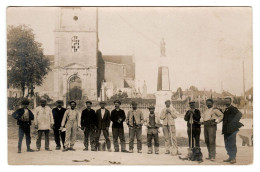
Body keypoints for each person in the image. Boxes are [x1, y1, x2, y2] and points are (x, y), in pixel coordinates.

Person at [222, 97, 244, 164]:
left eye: (228, 101)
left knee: (232, 143)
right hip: (226, 130)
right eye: (226, 101)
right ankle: (230, 157)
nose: (227, 102)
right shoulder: (226, 109)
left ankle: (233, 158)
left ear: (230, 101)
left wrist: (234, 122)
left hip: (232, 129)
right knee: (226, 144)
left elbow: (240, 114)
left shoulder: (233, 108)